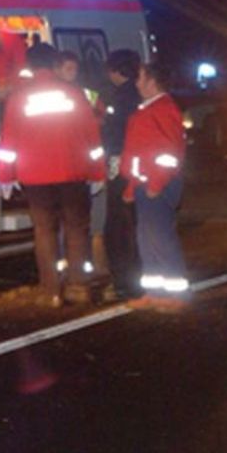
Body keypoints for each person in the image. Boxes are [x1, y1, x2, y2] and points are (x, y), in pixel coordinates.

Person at [0, 43, 106, 307]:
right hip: (73, 171)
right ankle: (77, 286)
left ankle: (51, 291)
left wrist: (6, 176)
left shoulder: (19, 98)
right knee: (76, 229)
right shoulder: (74, 93)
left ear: (30, 66)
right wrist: (98, 171)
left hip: (35, 176)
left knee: (44, 231)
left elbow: (9, 140)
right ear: (55, 64)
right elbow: (92, 136)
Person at [120, 61, 188, 309]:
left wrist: (157, 183)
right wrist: (131, 187)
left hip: (157, 185)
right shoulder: (150, 109)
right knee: (146, 240)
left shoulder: (163, 110)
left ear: (152, 81)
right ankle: (155, 292)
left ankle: (175, 295)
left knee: (160, 239)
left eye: (140, 78)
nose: (136, 83)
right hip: (145, 185)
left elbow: (171, 152)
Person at [100, 49, 142, 298]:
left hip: (121, 165)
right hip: (139, 169)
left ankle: (124, 283)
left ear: (115, 70)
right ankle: (134, 278)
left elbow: (115, 134)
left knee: (117, 227)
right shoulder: (142, 95)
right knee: (135, 224)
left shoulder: (121, 98)